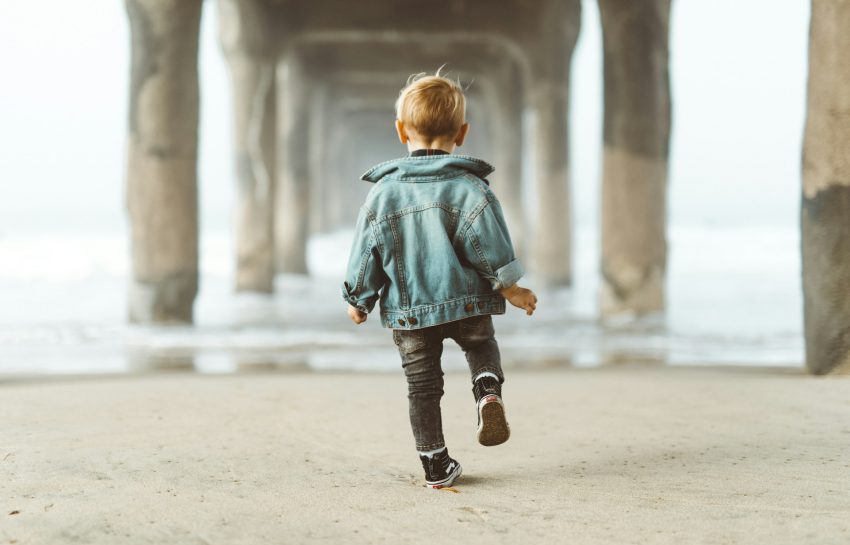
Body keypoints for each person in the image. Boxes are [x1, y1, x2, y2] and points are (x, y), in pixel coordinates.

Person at [341, 70, 537, 489]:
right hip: (469, 302)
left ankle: (435, 464)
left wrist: (359, 298)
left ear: (399, 131)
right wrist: (511, 287)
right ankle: (487, 390)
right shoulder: (471, 189)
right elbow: (491, 247)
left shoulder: (383, 194)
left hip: (410, 313)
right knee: (481, 346)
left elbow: (366, 251)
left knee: (423, 388)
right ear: (462, 133)